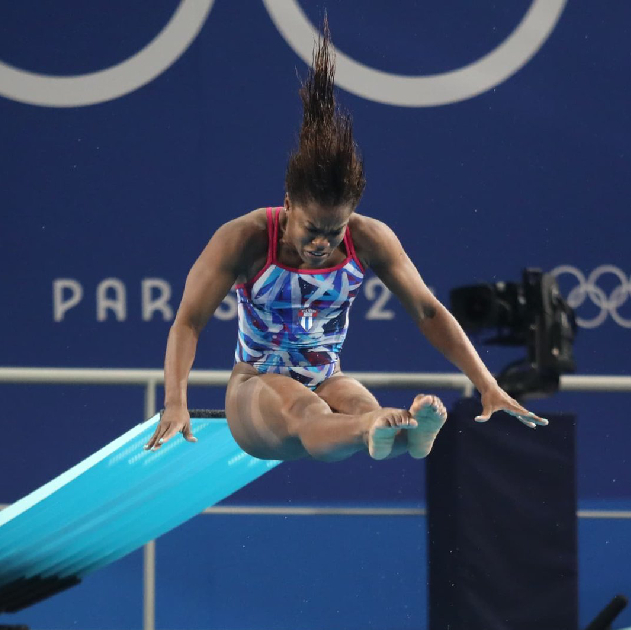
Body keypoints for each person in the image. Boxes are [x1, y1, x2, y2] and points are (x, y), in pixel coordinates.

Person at [144, 18, 546, 462]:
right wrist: (174, 401)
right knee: (305, 408)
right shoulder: (246, 238)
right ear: (288, 206)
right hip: (253, 388)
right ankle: (376, 428)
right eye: (311, 230)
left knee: (361, 403)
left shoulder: (369, 238)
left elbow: (429, 311)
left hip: (328, 377)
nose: (322, 243)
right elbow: (188, 322)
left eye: (334, 231)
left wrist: (488, 385)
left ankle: (396, 432)